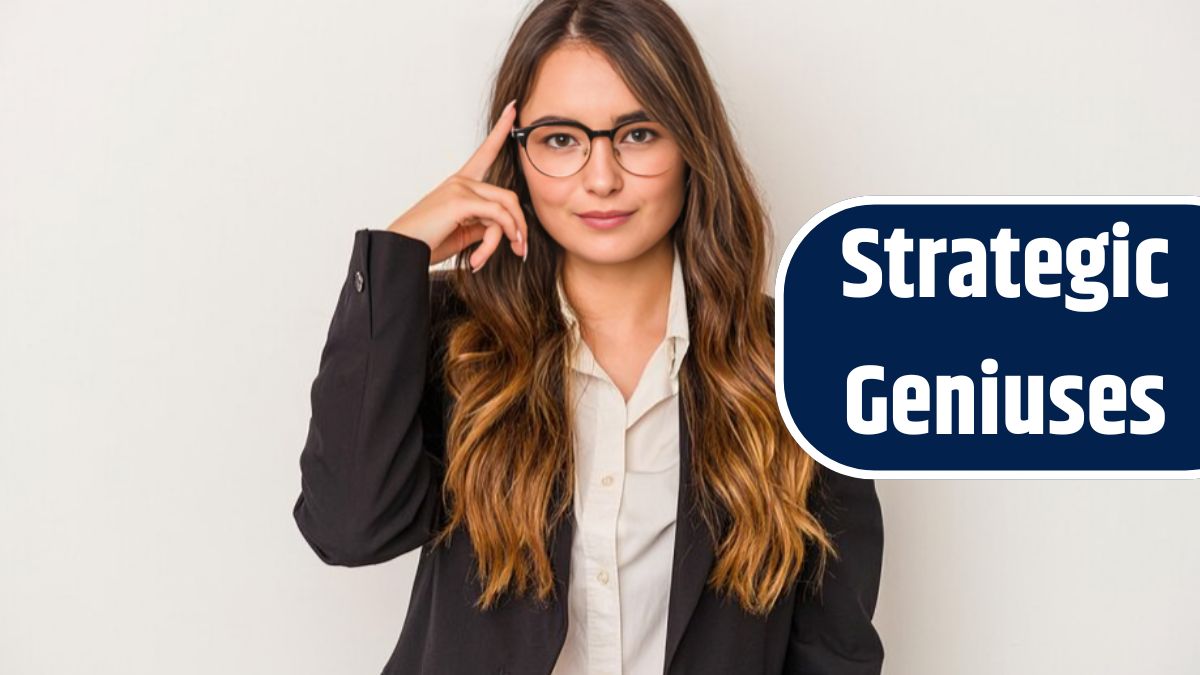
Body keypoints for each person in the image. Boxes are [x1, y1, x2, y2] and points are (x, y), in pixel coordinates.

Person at [292, 0, 885, 673]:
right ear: (516, 156)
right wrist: (396, 255)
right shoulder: (454, 338)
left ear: (691, 146)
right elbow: (347, 529)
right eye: (561, 139)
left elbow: (834, 646)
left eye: (637, 134)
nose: (601, 178)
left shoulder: (801, 358)